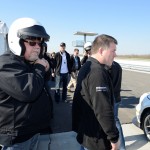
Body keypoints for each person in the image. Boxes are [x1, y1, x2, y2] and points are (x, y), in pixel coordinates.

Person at [0, 17, 53, 149]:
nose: (37, 47)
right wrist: (40, 68)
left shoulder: (28, 62)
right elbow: (28, 91)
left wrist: (44, 69)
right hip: (16, 138)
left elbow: (40, 83)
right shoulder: (6, 64)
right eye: (32, 43)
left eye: (39, 43)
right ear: (16, 41)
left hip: (33, 131)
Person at [72, 34, 120, 150]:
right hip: (96, 138)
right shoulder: (97, 72)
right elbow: (103, 109)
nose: (115, 54)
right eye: (113, 51)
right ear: (101, 50)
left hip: (88, 132)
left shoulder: (87, 66)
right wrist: (114, 138)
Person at [110, 61, 126, 150]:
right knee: (115, 121)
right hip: (117, 97)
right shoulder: (118, 66)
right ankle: (122, 147)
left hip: (112, 98)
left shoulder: (108, 66)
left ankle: (120, 146)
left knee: (114, 121)